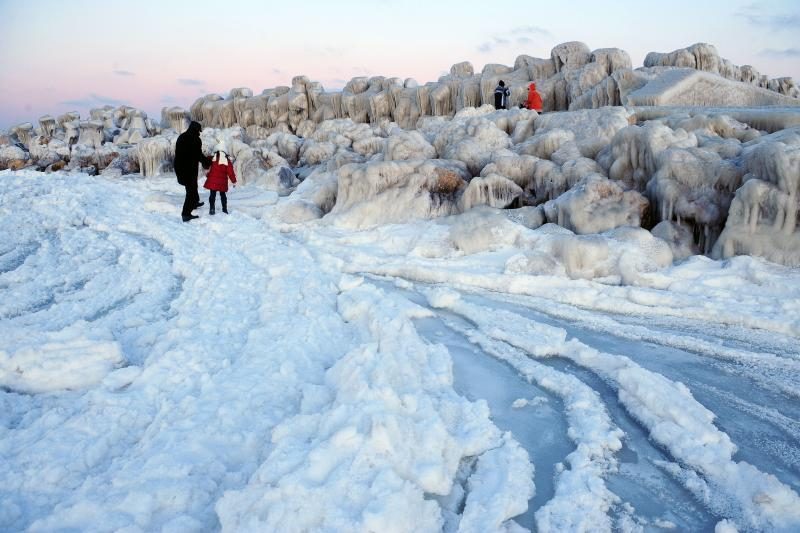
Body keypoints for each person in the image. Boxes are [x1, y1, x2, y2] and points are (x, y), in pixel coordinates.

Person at [174, 121, 211, 222]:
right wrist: (207, 162)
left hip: (180, 167)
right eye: (199, 131)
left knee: (192, 186)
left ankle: (194, 202)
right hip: (188, 168)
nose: (199, 132)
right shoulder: (195, 139)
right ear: (196, 130)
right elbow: (197, 154)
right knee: (190, 190)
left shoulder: (182, 137)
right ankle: (186, 214)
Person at [203, 143, 237, 215]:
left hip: (213, 181)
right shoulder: (227, 161)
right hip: (222, 182)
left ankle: (212, 209)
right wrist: (234, 181)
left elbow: (207, 165)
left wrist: (208, 175)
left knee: (212, 195)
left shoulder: (213, 159)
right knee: (223, 195)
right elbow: (231, 173)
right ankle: (224, 209)